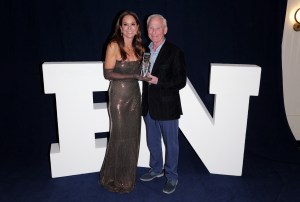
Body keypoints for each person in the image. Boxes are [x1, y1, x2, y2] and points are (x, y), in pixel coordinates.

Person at [99, 10, 149, 193]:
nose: (129, 28)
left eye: (133, 24)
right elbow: (107, 74)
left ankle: (126, 177)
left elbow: (143, 72)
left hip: (135, 96)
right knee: (119, 137)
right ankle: (114, 178)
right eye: (125, 24)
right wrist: (134, 75)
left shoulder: (141, 48)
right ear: (120, 27)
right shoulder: (113, 45)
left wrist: (146, 76)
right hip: (118, 98)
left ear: (137, 28)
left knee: (132, 136)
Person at [140, 14, 187, 194]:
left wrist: (158, 81)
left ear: (165, 30)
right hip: (149, 106)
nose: (154, 31)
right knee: (152, 141)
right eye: (151, 28)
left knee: (171, 144)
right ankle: (156, 169)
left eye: (158, 28)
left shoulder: (175, 52)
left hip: (167, 106)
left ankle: (172, 176)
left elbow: (180, 81)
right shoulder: (145, 49)